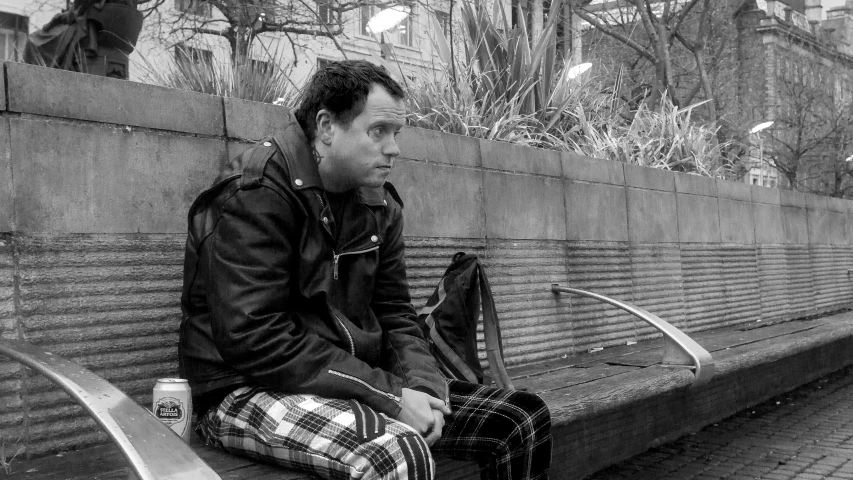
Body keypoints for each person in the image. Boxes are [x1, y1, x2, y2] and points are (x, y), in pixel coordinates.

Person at [179, 59, 552, 480]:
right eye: (379, 132)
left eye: (396, 134)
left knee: (520, 419)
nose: (393, 148)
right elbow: (254, 338)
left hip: (352, 382)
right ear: (326, 126)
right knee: (394, 451)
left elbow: (396, 314)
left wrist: (423, 391)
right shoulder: (259, 193)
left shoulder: (378, 205)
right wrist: (391, 398)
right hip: (245, 388)